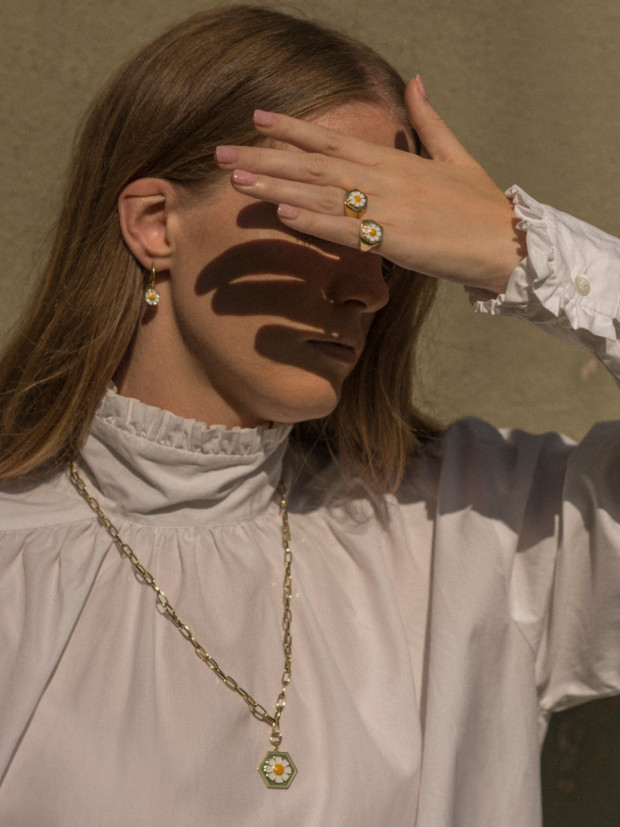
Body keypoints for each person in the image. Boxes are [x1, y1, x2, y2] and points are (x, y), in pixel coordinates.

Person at [0, 6, 618, 826]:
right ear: (155, 223)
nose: (370, 287)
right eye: (331, 214)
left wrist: (521, 251)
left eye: (390, 242)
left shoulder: (480, 532)